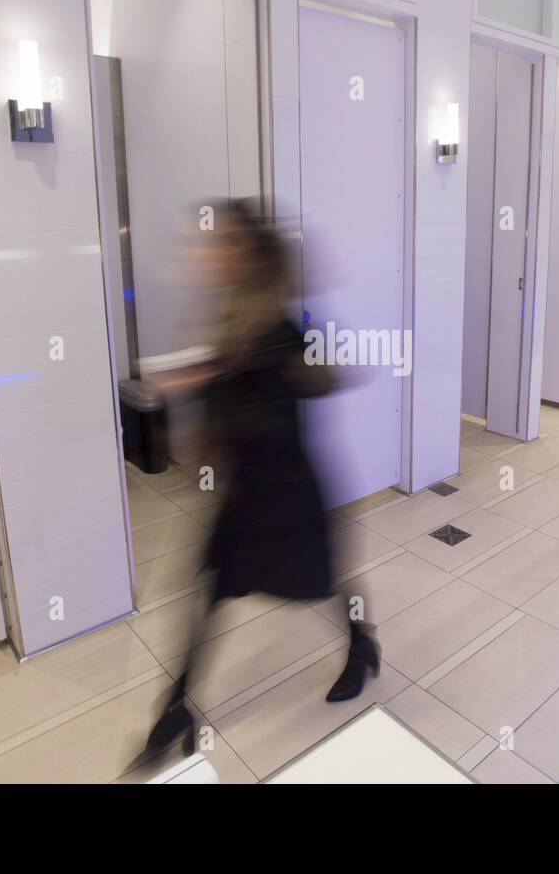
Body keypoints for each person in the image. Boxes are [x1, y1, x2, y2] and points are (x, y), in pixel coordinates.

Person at [141, 200, 380, 758]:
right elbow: (224, 391)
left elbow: (328, 375)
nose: (211, 253)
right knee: (209, 590)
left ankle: (362, 643)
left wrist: (249, 372)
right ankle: (177, 708)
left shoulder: (280, 321)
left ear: (249, 255)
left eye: (223, 243)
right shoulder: (229, 316)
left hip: (289, 489)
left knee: (326, 581)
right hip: (245, 491)